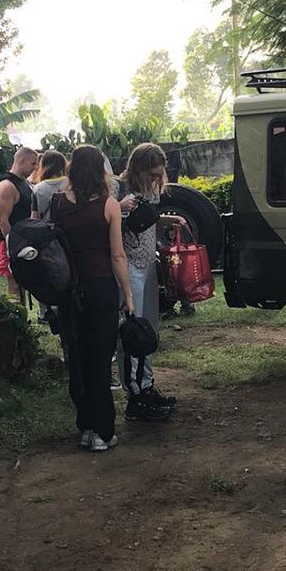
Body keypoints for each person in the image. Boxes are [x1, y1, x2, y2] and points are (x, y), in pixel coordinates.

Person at [50, 145, 134, 452]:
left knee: (79, 360)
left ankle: (85, 426)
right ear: (100, 171)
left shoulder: (58, 203)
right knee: (100, 361)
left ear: (72, 170)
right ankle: (102, 431)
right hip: (100, 289)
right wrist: (127, 294)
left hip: (70, 293)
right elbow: (117, 255)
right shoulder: (109, 205)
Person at [116, 143, 187, 421]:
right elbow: (106, 221)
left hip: (147, 264)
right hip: (129, 266)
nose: (156, 180)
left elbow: (147, 223)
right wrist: (121, 209)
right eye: (152, 174)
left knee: (148, 330)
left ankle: (146, 385)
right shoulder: (118, 189)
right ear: (138, 168)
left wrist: (164, 220)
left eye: (159, 175)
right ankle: (135, 394)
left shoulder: (151, 189)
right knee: (133, 332)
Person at [0, 147, 38, 296]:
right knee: (14, 285)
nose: (35, 168)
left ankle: (22, 316)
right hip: (10, 242)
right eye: (33, 164)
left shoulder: (24, 183)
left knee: (23, 284)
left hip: (23, 241)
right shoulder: (6, 186)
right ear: (22, 160)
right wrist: (13, 245)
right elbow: (2, 220)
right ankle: (16, 318)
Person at [31, 150, 68, 219]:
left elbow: (34, 218)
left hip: (45, 228)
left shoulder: (37, 188)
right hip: (67, 228)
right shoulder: (70, 183)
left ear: (43, 166)